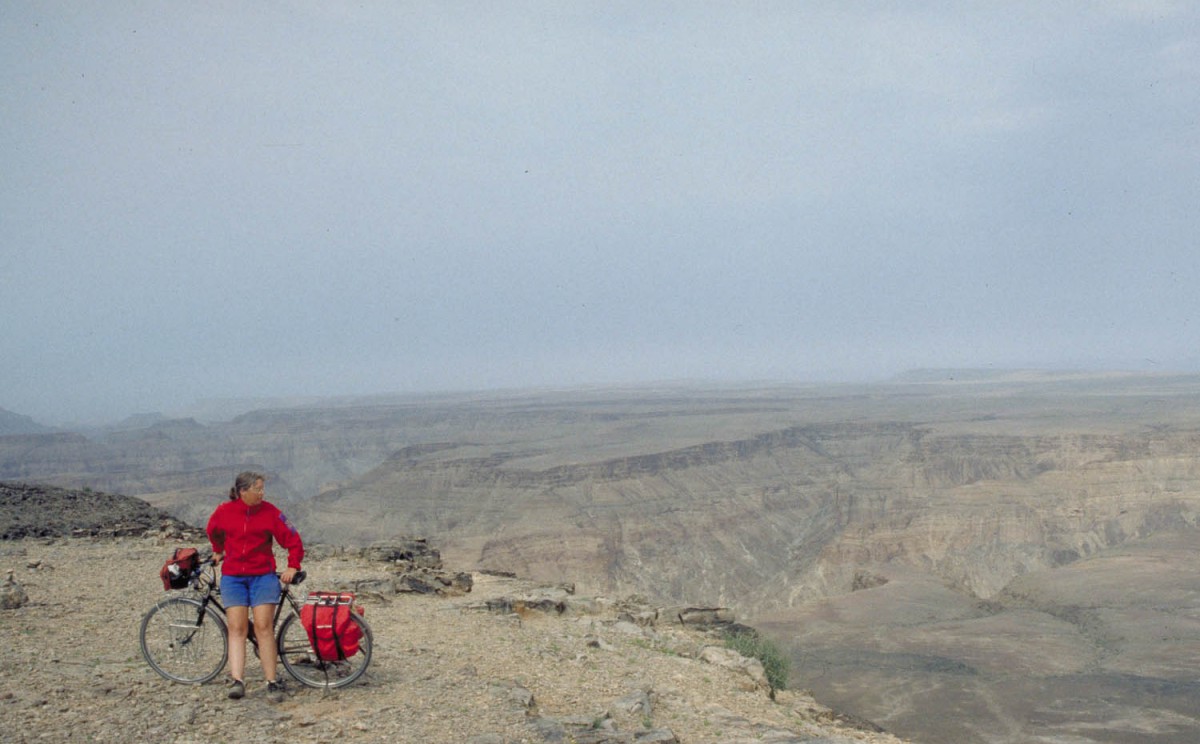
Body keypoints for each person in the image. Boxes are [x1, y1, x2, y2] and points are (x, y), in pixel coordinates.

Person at [206, 470, 304, 702]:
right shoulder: (224, 511)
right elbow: (213, 531)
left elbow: (293, 539)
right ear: (243, 492)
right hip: (233, 577)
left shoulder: (270, 512)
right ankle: (237, 680)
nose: (262, 493)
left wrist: (293, 565)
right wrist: (218, 550)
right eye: (257, 489)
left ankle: (271, 681)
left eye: (262, 489)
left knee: (263, 628)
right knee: (237, 628)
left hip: (263, 576)